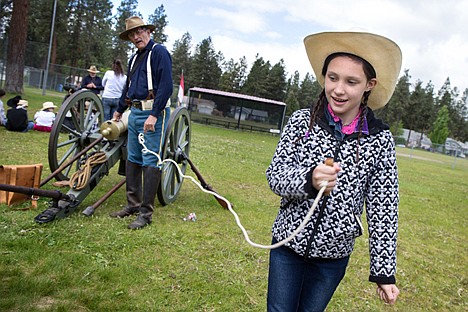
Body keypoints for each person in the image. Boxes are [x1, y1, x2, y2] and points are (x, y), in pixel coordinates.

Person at [265, 31, 402, 311]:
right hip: (287, 247)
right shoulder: (302, 121)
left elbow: (383, 207)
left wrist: (384, 272)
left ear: (369, 85)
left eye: (351, 82)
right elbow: (276, 175)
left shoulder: (380, 139)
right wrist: (308, 180)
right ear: (324, 77)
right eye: (333, 78)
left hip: (332, 257)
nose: (339, 89)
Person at [109, 16, 173, 230]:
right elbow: (128, 87)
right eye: (132, 35)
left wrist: (155, 114)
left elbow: (166, 86)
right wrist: (119, 110)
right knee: (133, 159)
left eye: (139, 32)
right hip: (134, 113)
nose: (136, 37)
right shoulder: (135, 58)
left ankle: (145, 214)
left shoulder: (159, 52)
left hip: (152, 114)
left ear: (148, 31)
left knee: (150, 160)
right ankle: (133, 205)